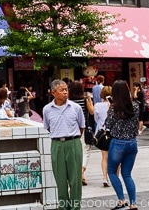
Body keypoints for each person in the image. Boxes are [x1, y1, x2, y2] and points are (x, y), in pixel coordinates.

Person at [43, 79, 84, 210]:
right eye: (62, 90)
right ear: (53, 93)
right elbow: (48, 127)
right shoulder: (47, 109)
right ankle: (63, 206)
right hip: (57, 145)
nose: (65, 92)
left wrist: (72, 137)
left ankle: (75, 207)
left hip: (73, 143)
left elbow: (81, 126)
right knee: (60, 179)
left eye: (66, 89)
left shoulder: (75, 108)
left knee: (75, 179)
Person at [105, 80, 140, 210]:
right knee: (127, 174)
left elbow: (107, 125)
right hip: (132, 143)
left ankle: (121, 200)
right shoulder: (135, 105)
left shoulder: (114, 107)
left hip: (118, 143)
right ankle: (133, 203)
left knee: (112, 172)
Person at [68, 81, 94, 186]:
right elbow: (92, 112)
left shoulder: (68, 101)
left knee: (74, 151)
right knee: (86, 150)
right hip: (83, 128)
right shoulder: (84, 100)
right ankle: (81, 172)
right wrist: (89, 100)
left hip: (70, 129)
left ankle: (78, 173)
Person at [93, 86, 112, 187]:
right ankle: (115, 177)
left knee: (104, 157)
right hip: (114, 133)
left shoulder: (97, 105)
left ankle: (105, 177)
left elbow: (96, 119)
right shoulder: (115, 105)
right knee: (115, 158)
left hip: (102, 133)